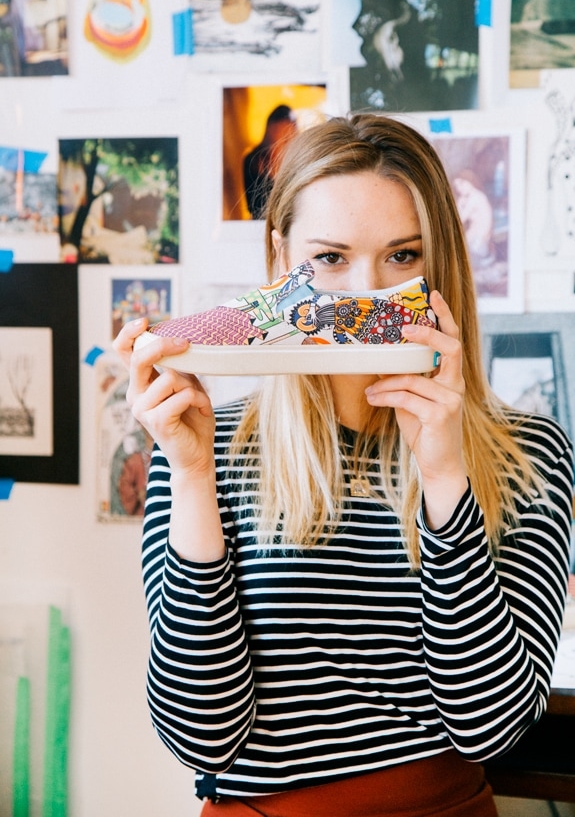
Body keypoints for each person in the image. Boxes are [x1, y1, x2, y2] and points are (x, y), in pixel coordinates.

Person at [114, 114, 574, 816]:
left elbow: (491, 724)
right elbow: (199, 737)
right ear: (279, 262)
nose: (366, 296)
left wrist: (446, 474)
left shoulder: (528, 453)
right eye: (330, 259)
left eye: (401, 257)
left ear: (440, 263)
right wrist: (192, 477)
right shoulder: (210, 447)